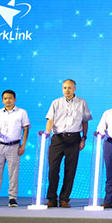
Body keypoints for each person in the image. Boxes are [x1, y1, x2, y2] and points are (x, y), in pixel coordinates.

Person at [45, 79, 92, 208]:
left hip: (74, 139)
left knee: (70, 170)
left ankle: (64, 198)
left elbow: (85, 121)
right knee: (53, 169)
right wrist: (47, 133)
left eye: (69, 87)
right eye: (64, 87)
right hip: (57, 139)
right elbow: (50, 120)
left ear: (74, 89)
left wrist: (84, 138)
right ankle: (52, 198)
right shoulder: (56, 102)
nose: (67, 90)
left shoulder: (82, 103)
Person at [0, 90, 30, 207]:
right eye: (5, 98)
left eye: (10, 98)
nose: (8, 100)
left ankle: (12, 197)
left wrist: (23, 145)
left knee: (13, 173)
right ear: (2, 100)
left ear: (14, 99)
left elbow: (26, 128)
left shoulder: (22, 112)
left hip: (14, 146)